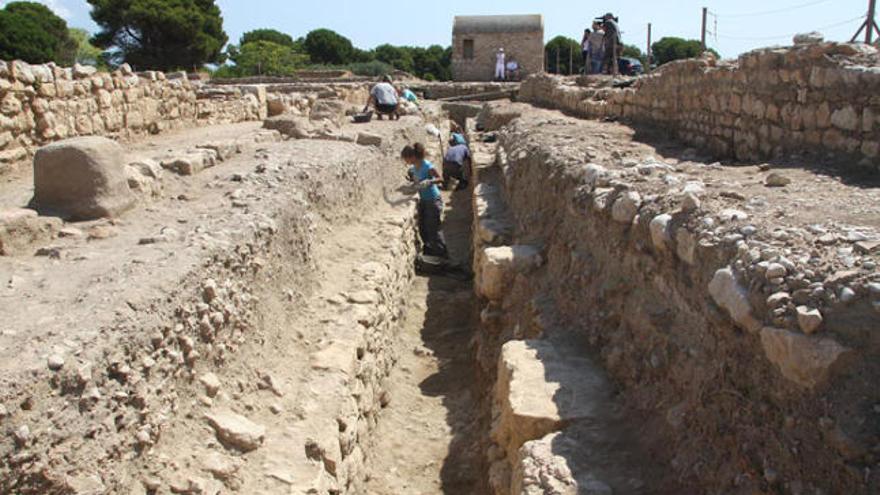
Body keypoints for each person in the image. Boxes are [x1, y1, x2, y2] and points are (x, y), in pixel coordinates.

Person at [402, 143, 448, 258]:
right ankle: (431, 254)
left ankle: (443, 256)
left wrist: (429, 182)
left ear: (412, 156)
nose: (405, 161)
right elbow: (413, 176)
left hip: (433, 200)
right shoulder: (413, 168)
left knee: (433, 230)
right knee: (423, 229)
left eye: (406, 158)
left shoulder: (427, 166)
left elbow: (441, 179)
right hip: (424, 201)